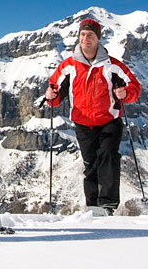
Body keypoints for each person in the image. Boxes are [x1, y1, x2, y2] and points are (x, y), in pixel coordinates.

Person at [45, 18, 141, 215]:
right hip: (82, 123)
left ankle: (107, 206)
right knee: (90, 164)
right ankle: (93, 207)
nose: (85, 38)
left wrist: (126, 94)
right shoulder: (68, 66)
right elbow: (55, 90)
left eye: (90, 35)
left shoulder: (112, 66)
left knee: (108, 157)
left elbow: (134, 87)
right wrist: (51, 97)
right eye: (82, 35)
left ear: (98, 39)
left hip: (109, 120)